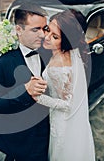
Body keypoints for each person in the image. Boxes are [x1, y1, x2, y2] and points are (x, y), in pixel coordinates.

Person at [0, 2, 50, 161]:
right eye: (35, 29)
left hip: (48, 133)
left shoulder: (49, 50)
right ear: (18, 30)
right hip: (20, 140)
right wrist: (25, 91)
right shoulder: (1, 61)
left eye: (44, 28)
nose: (42, 35)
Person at [31, 10, 95, 161]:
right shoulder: (69, 54)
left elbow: (67, 104)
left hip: (62, 120)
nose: (46, 38)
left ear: (65, 41)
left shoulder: (58, 66)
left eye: (55, 37)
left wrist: (37, 97)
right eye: (48, 30)